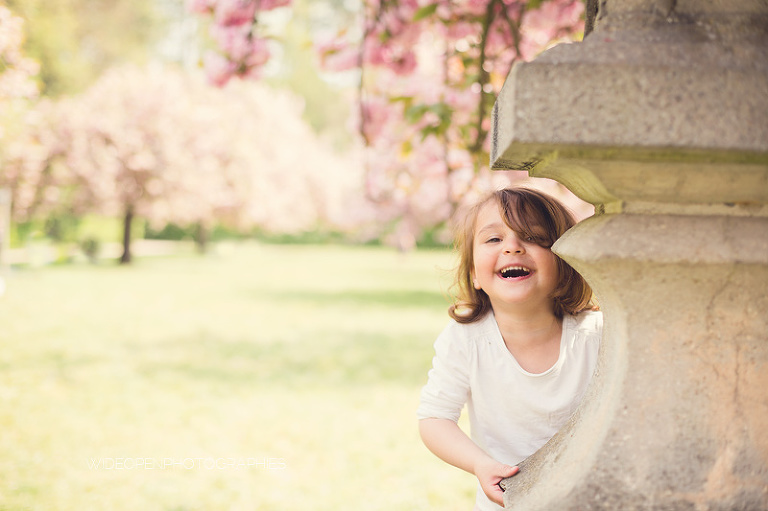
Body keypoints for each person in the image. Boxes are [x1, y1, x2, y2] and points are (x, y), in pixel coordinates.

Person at [417, 187, 601, 510]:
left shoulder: (595, 337)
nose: (513, 247)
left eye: (532, 237)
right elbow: (434, 418)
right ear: (474, 273)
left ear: (564, 264)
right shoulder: (466, 340)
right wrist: (480, 464)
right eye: (493, 240)